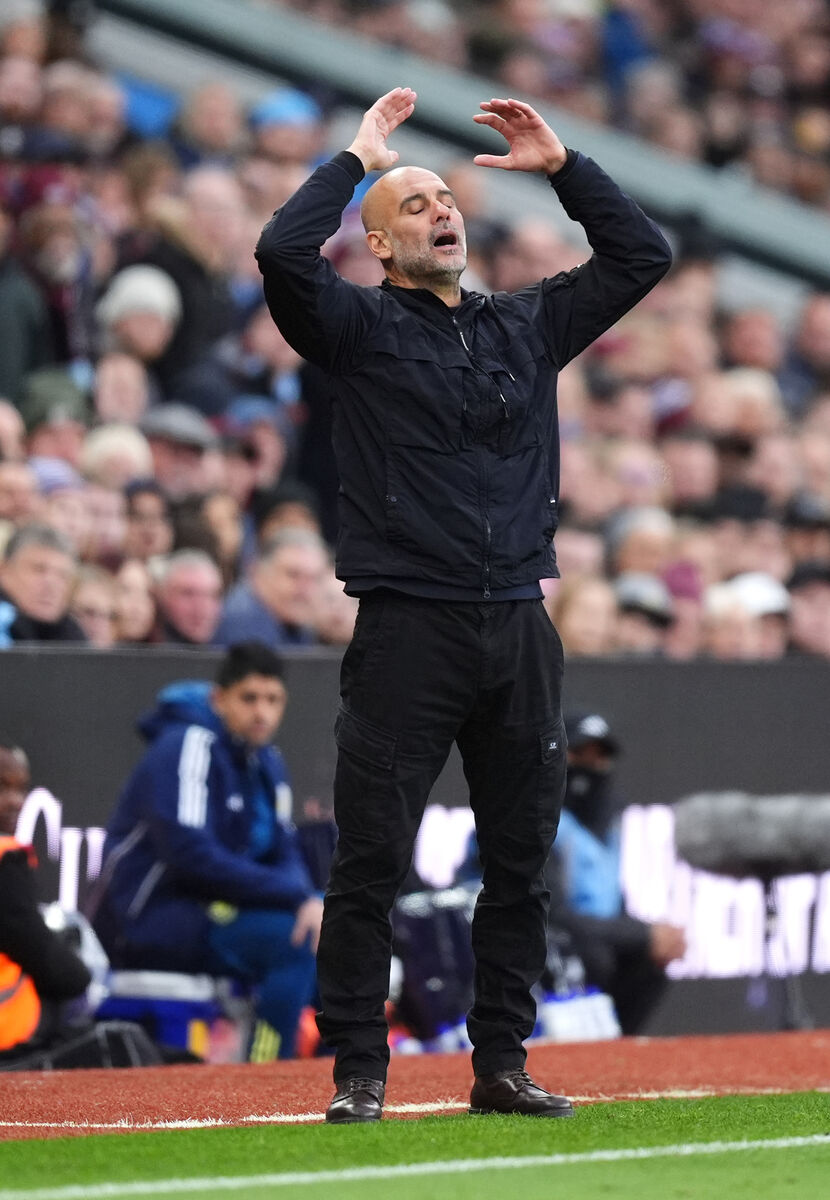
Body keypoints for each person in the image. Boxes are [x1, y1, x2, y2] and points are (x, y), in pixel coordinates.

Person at [256, 87, 671, 1121]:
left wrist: (566, 168)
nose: (442, 209)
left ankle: (502, 1063)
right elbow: (280, 253)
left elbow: (640, 256)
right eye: (416, 204)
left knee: (521, 865)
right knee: (371, 862)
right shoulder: (356, 326)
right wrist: (356, 161)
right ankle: (359, 1070)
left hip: (518, 622)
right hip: (408, 624)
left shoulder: (525, 324)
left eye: (446, 198)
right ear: (380, 247)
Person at [88, 642, 323, 1061]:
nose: (262, 712)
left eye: (273, 700)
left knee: (334, 934)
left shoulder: (267, 761)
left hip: (216, 910)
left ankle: (329, 1070)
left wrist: (308, 900)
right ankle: (269, 1071)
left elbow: (285, 851)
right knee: (291, 944)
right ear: (219, 699)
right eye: (249, 698)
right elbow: (189, 853)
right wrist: (294, 896)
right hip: (152, 916)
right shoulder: (187, 744)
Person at [548, 711, 686, 1036]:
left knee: (647, 957)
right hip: (540, 939)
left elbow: (612, 903)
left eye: (599, 757)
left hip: (586, 935)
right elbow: (552, 913)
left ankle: (616, 1048)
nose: (591, 766)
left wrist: (649, 935)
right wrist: (642, 934)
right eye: (579, 754)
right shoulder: (537, 819)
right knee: (596, 956)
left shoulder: (609, 824)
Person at [0, 745, 91, 1054]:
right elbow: (37, 949)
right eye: (1, 787)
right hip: (10, 1034)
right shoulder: (6, 858)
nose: (15, 801)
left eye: (21, 789)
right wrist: (82, 976)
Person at [0, 523, 86, 645]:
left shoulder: (73, 637)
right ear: (4, 570)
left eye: (62, 575)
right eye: (38, 569)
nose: (51, 584)